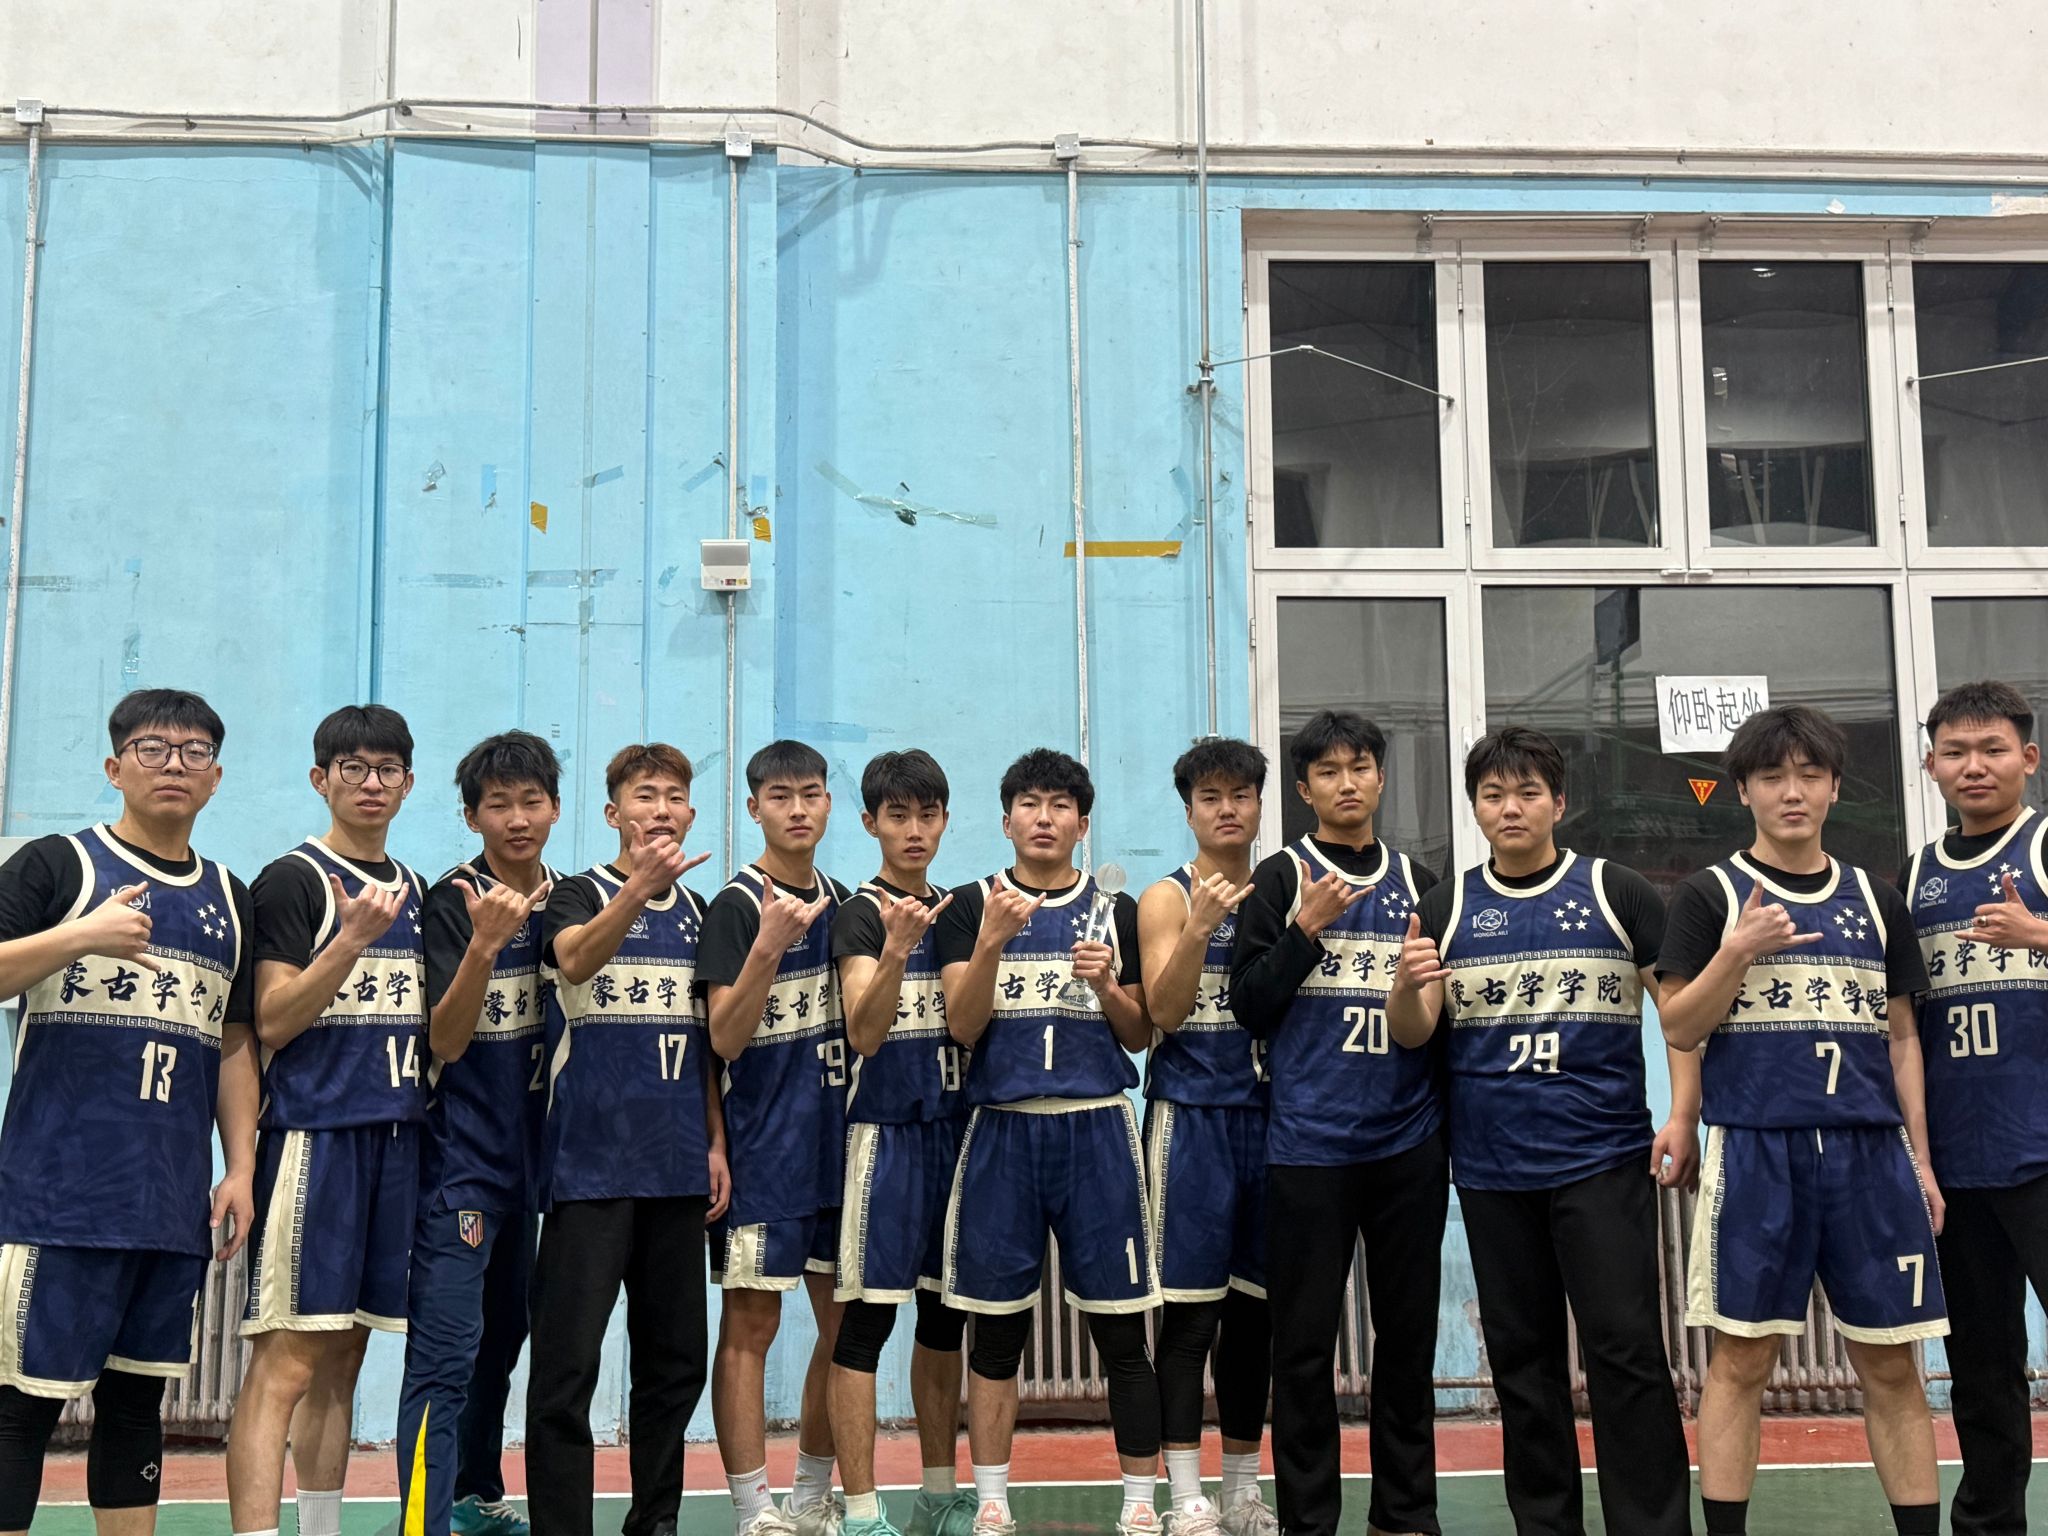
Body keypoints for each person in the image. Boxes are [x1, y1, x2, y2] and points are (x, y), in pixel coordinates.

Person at [1385, 725, 1694, 1536]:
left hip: (1603, 1161)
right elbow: (1415, 1031)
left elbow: (1678, 1015)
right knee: (1524, 1368)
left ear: (1559, 802)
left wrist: (1683, 1113)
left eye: (1527, 793)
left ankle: (1651, 1525)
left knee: (1626, 1353)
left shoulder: (1617, 891)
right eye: (1493, 795)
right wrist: (1404, 987)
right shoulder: (1447, 906)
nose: (1510, 808)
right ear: (1476, 808)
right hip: (1492, 1171)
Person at [1657, 704, 1943, 1536]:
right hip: (1758, 1152)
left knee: (1891, 1365)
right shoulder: (1710, 896)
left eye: (1809, 775)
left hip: (1870, 1156)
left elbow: (1901, 1039)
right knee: (1741, 1362)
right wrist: (1737, 951)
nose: (1793, 791)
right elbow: (1679, 1026)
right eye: (1773, 776)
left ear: (1834, 788)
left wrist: (1921, 1162)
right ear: (1742, 790)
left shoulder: (1876, 899)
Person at [0, 688, 257, 1532]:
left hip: (168, 1206)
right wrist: (80, 935)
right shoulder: (58, 866)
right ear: (115, 767)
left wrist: (241, 1167)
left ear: (216, 776)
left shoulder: (231, 897)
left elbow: (234, 1042)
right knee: (20, 1410)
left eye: (193, 751)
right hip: (55, 1201)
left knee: (136, 1409)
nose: (174, 764)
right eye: (153, 748)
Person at [936, 748, 1163, 1536]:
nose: (1044, 817)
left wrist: (1104, 985)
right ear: (1006, 821)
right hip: (1002, 1132)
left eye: (1060, 805)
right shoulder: (970, 906)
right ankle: (993, 1499)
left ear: (1082, 823)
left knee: (1123, 1331)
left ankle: (1141, 1501)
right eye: (1029, 804)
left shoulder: (1116, 912)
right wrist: (992, 943)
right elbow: (963, 1027)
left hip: (1097, 1128)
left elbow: (1139, 1034)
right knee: (996, 1331)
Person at [1228, 709, 1444, 1536]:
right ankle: (1308, 1521)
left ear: (1381, 778)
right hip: (1308, 1147)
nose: (1346, 783)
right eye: (1328, 771)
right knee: (1303, 1347)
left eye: (1359, 768)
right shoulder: (1280, 878)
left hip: (1408, 1145)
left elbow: (1444, 1019)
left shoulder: (1422, 883)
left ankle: (1405, 1515)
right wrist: (1305, 929)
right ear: (1304, 788)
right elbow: (1249, 1006)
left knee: (1407, 1343)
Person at [228, 704, 427, 1536]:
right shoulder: (294, 879)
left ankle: (320, 1528)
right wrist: (347, 943)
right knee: (286, 1361)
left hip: (396, 1140)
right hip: (314, 1143)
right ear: (321, 779)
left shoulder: (414, 886)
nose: (371, 783)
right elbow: (271, 1020)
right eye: (353, 768)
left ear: (408, 783)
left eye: (387, 769)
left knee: (345, 1354)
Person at [523, 742, 726, 1536]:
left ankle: (656, 1522)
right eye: (645, 795)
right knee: (567, 1368)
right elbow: (573, 962)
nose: (661, 809)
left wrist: (715, 1142)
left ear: (691, 813)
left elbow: (708, 1045)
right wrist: (638, 890)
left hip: (676, 1170)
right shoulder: (577, 894)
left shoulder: (702, 915)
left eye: (674, 796)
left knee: (674, 1366)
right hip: (590, 1171)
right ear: (614, 813)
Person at [396, 732, 561, 1536]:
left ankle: (473, 1494)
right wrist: (487, 945)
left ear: (556, 808)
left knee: (503, 1342)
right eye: (499, 805)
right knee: (446, 1355)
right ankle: (421, 1524)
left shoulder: (573, 905)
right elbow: (447, 1039)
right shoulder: (451, 902)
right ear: (471, 817)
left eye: (531, 801)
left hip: (535, 1172)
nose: (517, 818)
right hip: (459, 1167)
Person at [1904, 679, 2048, 1536]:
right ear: (1930, 765)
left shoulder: (2043, 845)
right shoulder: (1916, 876)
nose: (1974, 766)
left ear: (2028, 757)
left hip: (2043, 1151)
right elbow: (1901, 1028)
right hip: (1957, 1164)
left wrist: (2039, 935)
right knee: (1983, 1370)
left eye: (1993, 749)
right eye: (1955, 752)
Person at [700, 741, 852, 1536]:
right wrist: (767, 945)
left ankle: (811, 1495)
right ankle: (754, 1509)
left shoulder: (847, 902)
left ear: (829, 803)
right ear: (754, 806)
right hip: (764, 1151)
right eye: (782, 796)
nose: (798, 809)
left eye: (812, 793)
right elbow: (723, 1038)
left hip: (840, 1150)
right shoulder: (733, 905)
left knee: (843, 1328)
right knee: (750, 1329)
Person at [826, 750, 976, 1536]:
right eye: (898, 816)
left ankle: (939, 1492)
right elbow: (864, 1030)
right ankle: (859, 1510)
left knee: (944, 1321)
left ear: (945, 819)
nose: (914, 830)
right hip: (885, 1140)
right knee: (866, 1326)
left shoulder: (962, 911)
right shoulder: (859, 912)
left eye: (927, 814)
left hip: (958, 1135)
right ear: (871, 823)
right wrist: (894, 949)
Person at [1134, 738, 1275, 1536]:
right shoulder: (1165, 896)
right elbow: (1162, 1010)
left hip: (1273, 1121)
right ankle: (1186, 1494)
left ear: (1258, 805)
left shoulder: (1285, 889)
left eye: (1240, 795)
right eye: (1211, 797)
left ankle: (1243, 1489)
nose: (1227, 809)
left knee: (1256, 1318)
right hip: (1189, 1120)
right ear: (1189, 811)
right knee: (1191, 1316)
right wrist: (1200, 928)